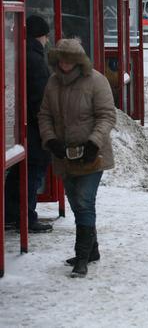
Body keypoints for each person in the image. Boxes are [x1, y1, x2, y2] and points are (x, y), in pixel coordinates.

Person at [38, 38, 116, 277]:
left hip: (93, 155)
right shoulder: (53, 83)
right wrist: (50, 140)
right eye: (61, 59)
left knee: (83, 202)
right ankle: (92, 250)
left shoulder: (96, 81)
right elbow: (45, 115)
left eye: (69, 60)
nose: (64, 64)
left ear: (78, 61)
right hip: (64, 155)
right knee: (77, 203)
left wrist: (93, 142)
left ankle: (81, 258)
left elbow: (106, 116)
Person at [4, 16, 53, 233]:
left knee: (18, 174)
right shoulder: (34, 58)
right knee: (32, 173)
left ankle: (12, 213)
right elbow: (40, 99)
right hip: (33, 128)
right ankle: (26, 217)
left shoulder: (19, 52)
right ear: (41, 35)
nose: (47, 41)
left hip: (20, 125)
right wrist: (47, 127)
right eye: (46, 36)